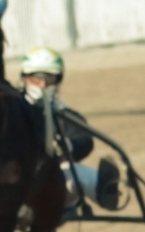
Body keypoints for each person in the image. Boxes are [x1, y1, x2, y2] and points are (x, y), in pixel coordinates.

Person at [18, 47, 122, 211]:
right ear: (24, 78)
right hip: (17, 179)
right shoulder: (12, 111)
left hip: (54, 181)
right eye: (36, 79)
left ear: (58, 80)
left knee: (74, 173)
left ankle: (105, 189)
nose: (43, 84)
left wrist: (66, 146)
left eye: (49, 79)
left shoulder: (64, 115)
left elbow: (84, 140)